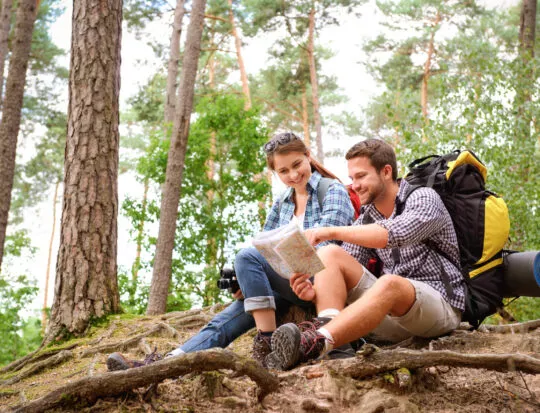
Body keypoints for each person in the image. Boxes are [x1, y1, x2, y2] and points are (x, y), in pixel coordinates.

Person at [107, 132, 355, 372]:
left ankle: (266, 343)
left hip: (321, 287)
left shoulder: (332, 191)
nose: (293, 174)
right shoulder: (282, 203)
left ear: (308, 155)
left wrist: (258, 270)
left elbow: (327, 251)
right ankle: (164, 363)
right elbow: (265, 247)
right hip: (287, 285)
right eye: (283, 171)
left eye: (297, 164)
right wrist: (248, 282)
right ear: (275, 173)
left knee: (245, 256)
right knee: (225, 319)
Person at [265, 138, 466, 370]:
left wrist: (329, 230)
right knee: (329, 254)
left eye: (361, 176)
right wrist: (314, 292)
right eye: (351, 179)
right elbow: (341, 267)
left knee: (391, 283)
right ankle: (336, 349)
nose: (354, 185)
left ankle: (315, 343)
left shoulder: (423, 198)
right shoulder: (368, 216)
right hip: (391, 316)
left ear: (386, 172)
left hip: (439, 309)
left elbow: (395, 234)